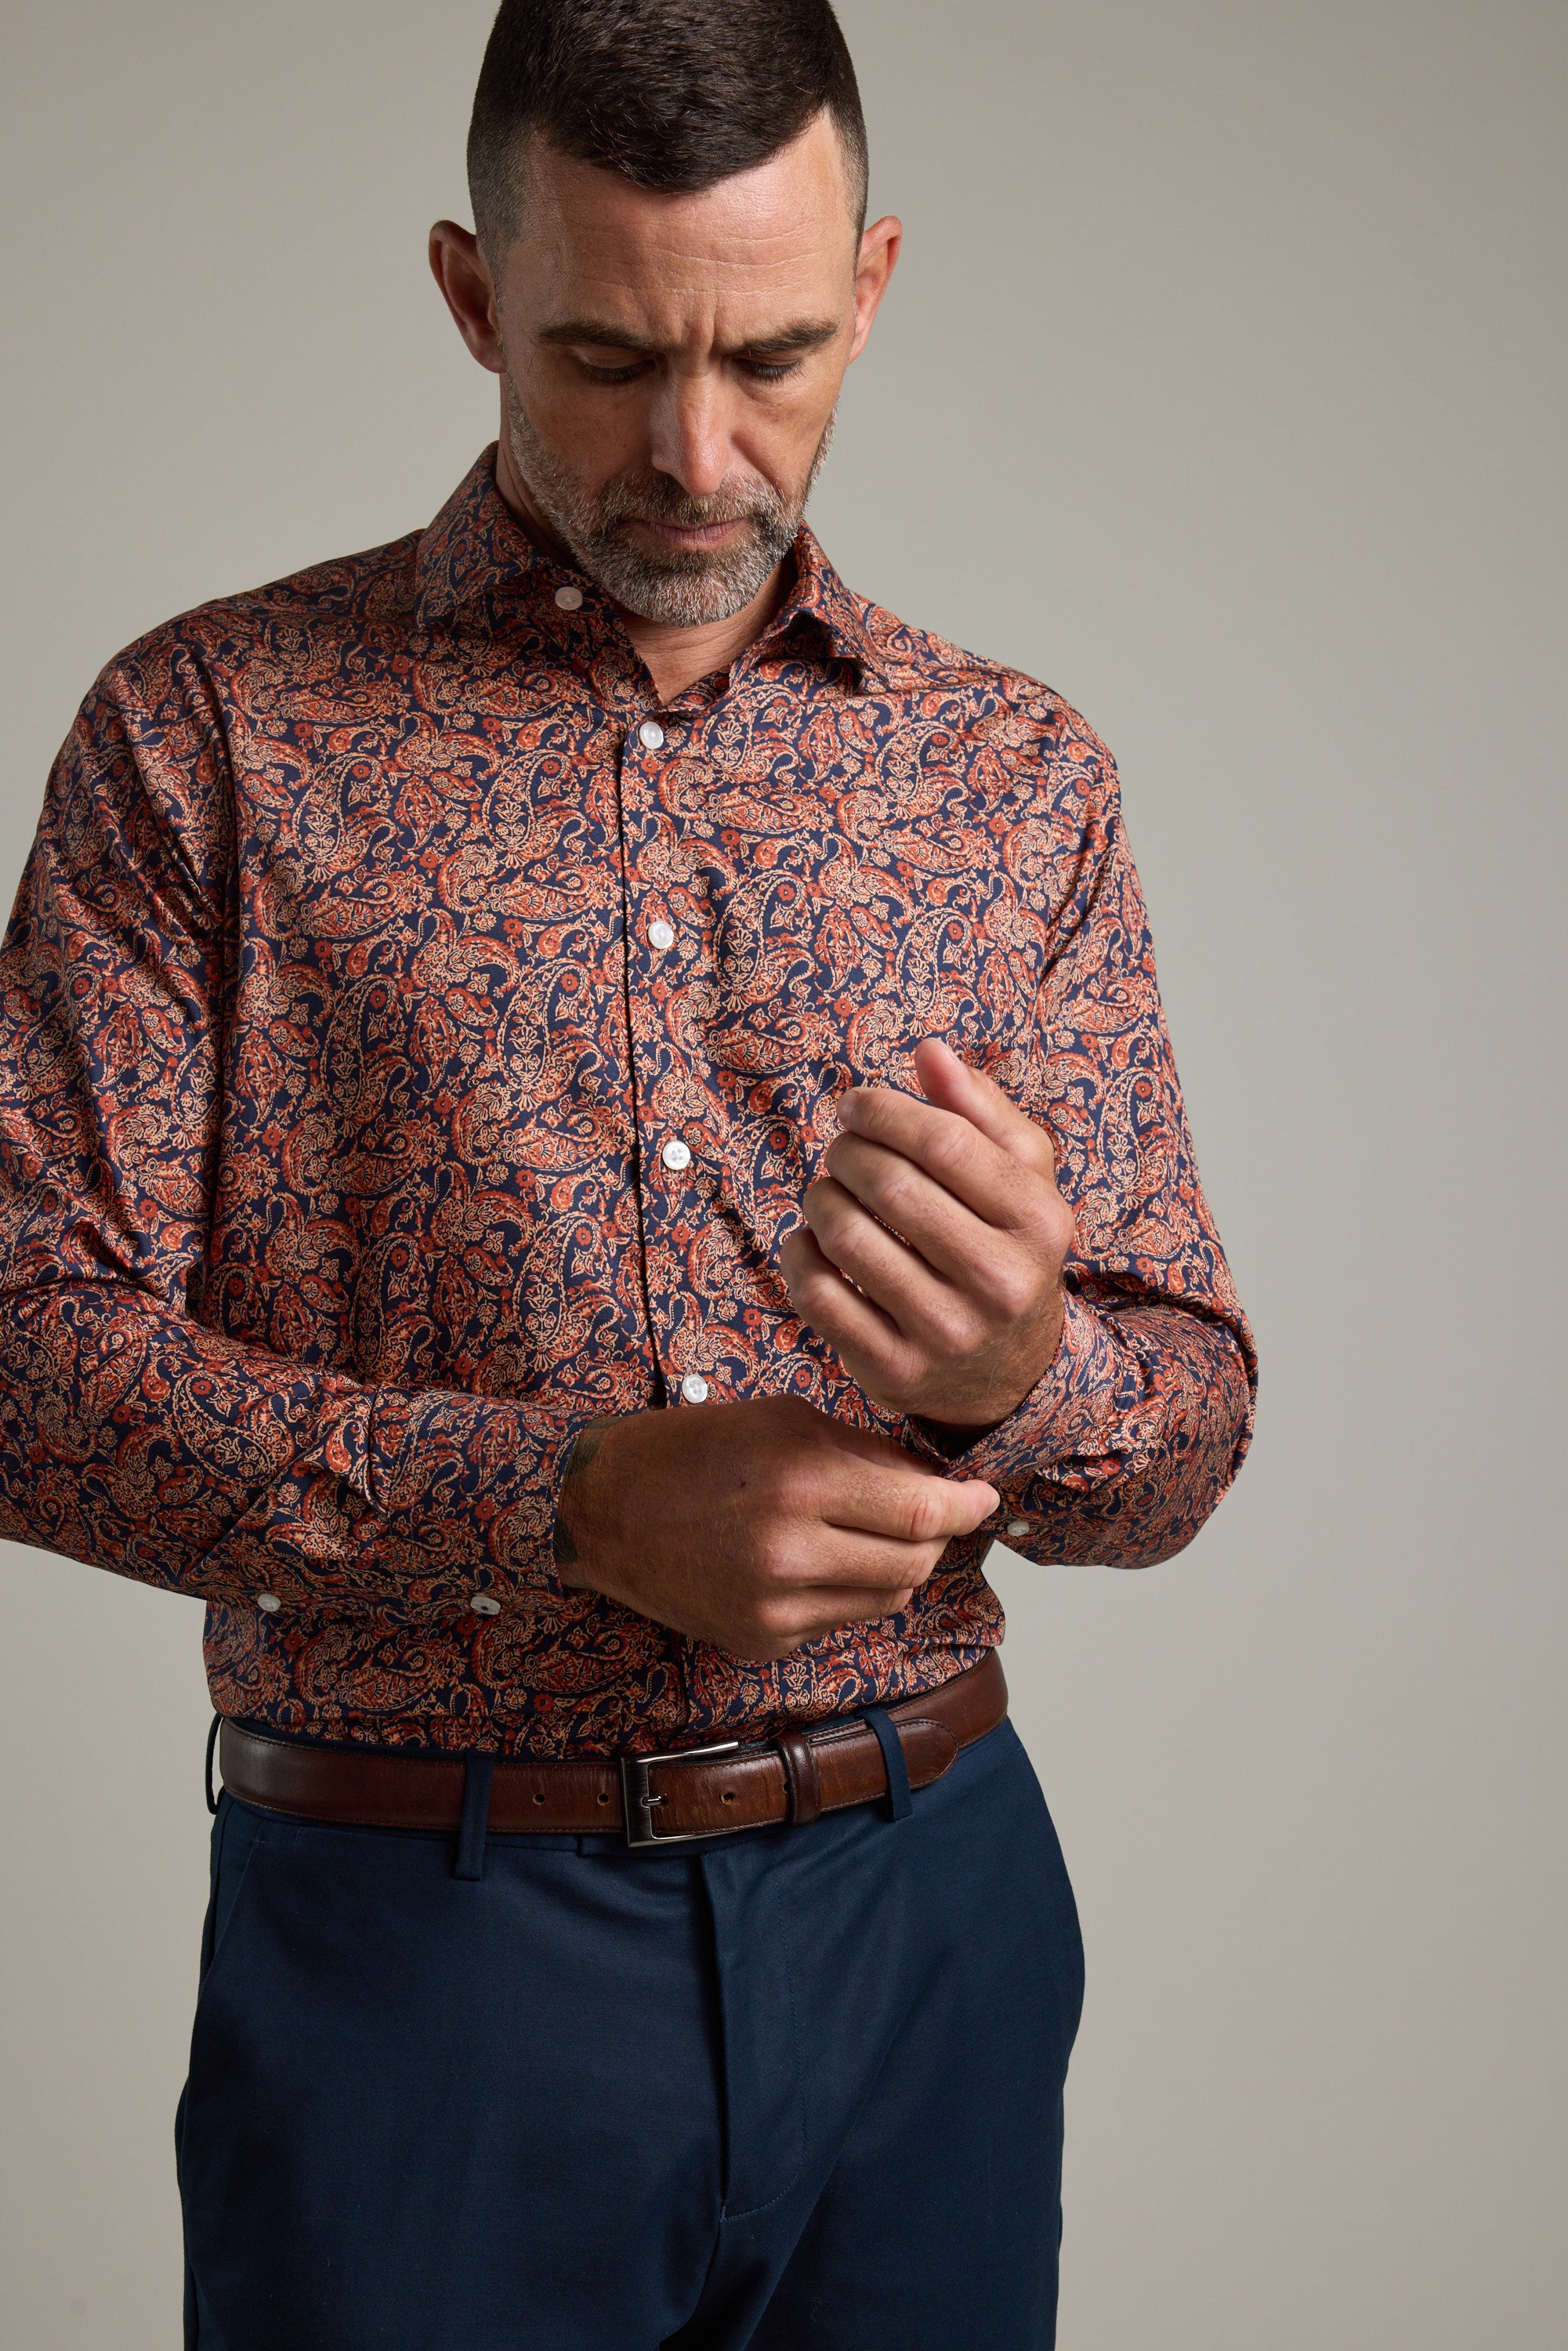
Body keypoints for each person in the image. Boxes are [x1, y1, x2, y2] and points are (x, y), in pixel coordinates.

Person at [0, 2, 1255, 2343]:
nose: (696, 450)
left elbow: (1179, 1442)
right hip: (421, 1967)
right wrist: (564, 1505)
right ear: (472, 292)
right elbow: (25, 1368)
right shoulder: (205, 740)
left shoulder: (1014, 781)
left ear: (870, 285)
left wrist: (1020, 1372)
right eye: (604, 357)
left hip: (931, 1921)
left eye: (771, 356)